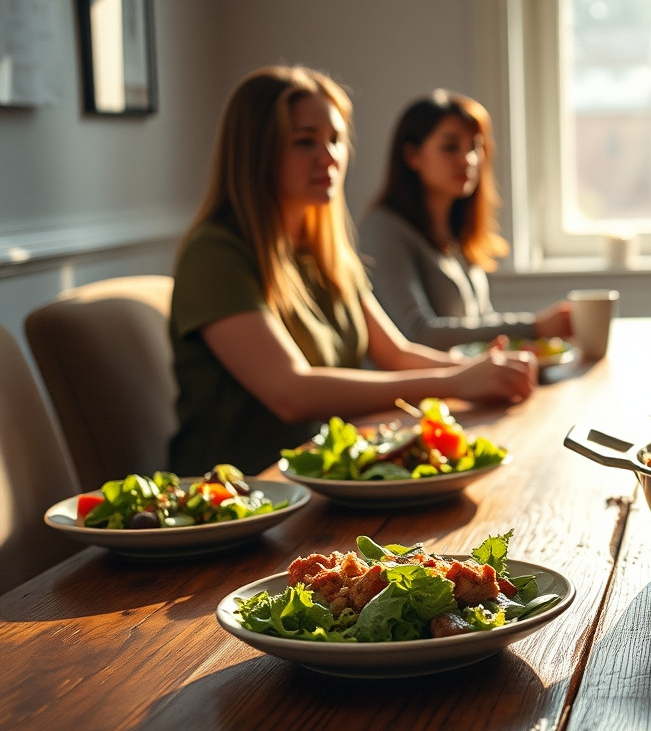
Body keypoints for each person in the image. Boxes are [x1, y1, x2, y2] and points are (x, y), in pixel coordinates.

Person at [169, 67, 537, 477]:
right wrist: (456, 383)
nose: (329, 158)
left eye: (335, 140)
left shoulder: (324, 252)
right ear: (257, 151)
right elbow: (291, 392)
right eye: (304, 142)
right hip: (241, 494)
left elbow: (394, 353)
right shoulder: (215, 253)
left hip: (323, 479)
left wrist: (478, 372)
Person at [358, 91, 571, 351]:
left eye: (475, 147)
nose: (468, 159)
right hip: (418, 390)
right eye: (450, 147)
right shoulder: (383, 229)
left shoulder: (456, 232)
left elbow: (481, 321)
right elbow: (416, 333)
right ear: (412, 155)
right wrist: (533, 328)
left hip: (467, 384)